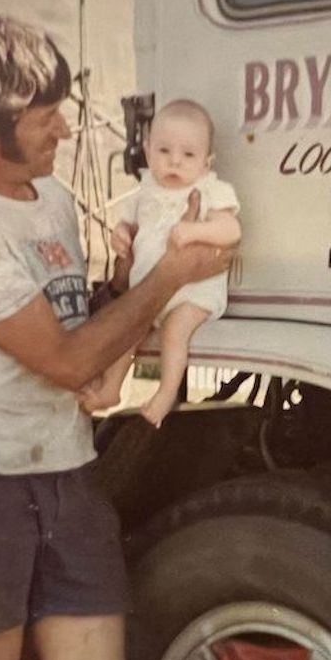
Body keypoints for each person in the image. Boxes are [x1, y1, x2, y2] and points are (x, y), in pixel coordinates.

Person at [0, 15, 231, 660]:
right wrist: (170, 275)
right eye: (45, 117)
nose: (64, 128)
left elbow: (83, 320)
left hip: (69, 473)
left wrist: (128, 277)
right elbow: (66, 361)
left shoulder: (51, 197)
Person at [80, 99, 241, 424]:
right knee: (128, 333)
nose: (174, 162)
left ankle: (166, 393)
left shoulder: (210, 189)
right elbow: (128, 224)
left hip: (193, 294)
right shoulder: (145, 191)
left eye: (188, 155)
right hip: (150, 291)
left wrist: (198, 230)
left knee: (174, 333)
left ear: (206, 163)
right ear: (148, 150)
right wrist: (121, 235)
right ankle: (112, 388)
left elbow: (231, 229)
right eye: (164, 151)